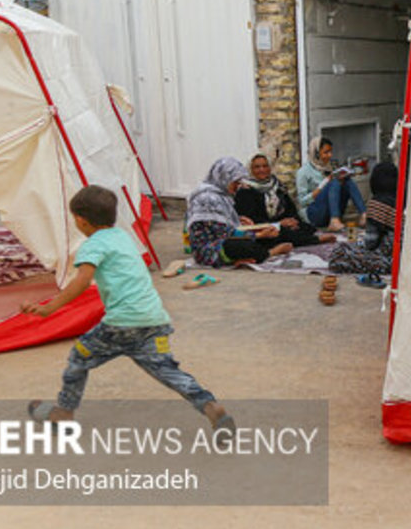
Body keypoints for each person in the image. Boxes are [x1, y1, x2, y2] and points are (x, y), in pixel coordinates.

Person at [21, 185, 233, 433]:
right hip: (153, 319)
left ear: (80, 220)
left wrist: (49, 308)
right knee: (166, 370)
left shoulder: (92, 245)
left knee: (79, 357)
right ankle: (209, 406)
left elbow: (81, 280)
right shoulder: (124, 237)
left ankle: (64, 412)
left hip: (121, 324)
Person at [187, 157, 292, 267]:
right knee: (241, 246)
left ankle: (247, 256)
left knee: (268, 238)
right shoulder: (207, 198)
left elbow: (225, 223)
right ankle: (271, 253)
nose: (238, 186)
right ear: (224, 178)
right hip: (210, 250)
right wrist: (258, 235)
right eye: (235, 182)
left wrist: (239, 221)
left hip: (224, 240)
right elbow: (223, 233)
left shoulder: (223, 196)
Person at [235, 153, 334, 248]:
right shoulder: (245, 190)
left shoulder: (277, 185)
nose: (262, 170)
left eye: (265, 166)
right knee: (281, 234)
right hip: (262, 227)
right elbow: (251, 219)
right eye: (257, 167)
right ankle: (314, 240)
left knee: (305, 227)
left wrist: (292, 221)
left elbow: (290, 208)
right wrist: (279, 224)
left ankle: (300, 237)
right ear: (250, 170)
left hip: (282, 224)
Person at [295, 136, 366, 232]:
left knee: (347, 180)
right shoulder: (303, 172)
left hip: (331, 210)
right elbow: (302, 202)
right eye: (326, 152)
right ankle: (334, 221)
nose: (330, 155)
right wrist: (323, 185)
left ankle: (363, 214)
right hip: (314, 214)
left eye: (330, 152)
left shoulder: (330, 166)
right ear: (316, 153)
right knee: (334, 182)